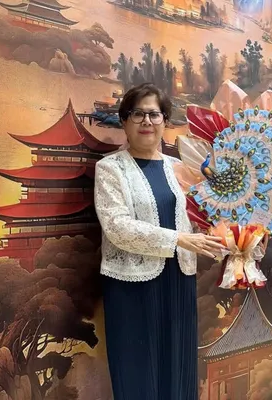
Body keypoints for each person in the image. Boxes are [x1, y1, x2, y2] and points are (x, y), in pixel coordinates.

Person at [94, 83, 225, 400]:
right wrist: (179, 239)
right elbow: (117, 227)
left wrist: (233, 239)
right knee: (139, 372)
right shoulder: (110, 168)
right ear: (124, 121)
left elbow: (199, 218)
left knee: (178, 369)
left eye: (154, 114)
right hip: (132, 285)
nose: (146, 121)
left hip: (179, 281)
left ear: (165, 121)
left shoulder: (180, 168)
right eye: (137, 114)